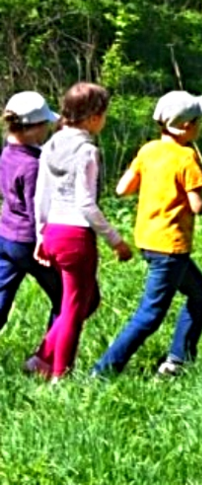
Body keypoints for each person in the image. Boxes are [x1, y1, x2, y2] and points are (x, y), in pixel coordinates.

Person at [91, 91, 202, 377]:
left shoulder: (149, 150)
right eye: (199, 120)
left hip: (148, 241)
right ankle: (103, 371)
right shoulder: (187, 158)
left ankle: (177, 361)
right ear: (187, 126)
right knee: (150, 315)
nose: (201, 125)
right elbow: (198, 206)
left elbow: (122, 188)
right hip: (171, 246)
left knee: (201, 296)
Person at [30, 83, 132, 379]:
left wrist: (40, 235)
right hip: (75, 236)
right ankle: (60, 375)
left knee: (86, 300)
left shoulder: (50, 145)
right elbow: (86, 204)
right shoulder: (87, 151)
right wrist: (116, 241)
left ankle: (41, 358)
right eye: (103, 114)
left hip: (52, 233)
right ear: (91, 117)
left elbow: (40, 195)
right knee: (74, 309)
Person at [0, 92, 62, 338]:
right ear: (33, 129)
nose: (48, 128)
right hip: (28, 241)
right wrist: (48, 245)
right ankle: (48, 358)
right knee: (67, 299)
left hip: (5, 236)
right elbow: (38, 211)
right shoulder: (33, 166)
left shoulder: (7, 154)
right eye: (46, 124)